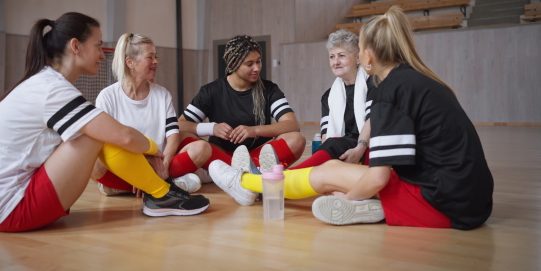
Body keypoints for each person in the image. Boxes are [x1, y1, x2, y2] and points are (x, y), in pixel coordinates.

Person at [209, 6, 494, 230]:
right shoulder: (416, 80)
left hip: (445, 207)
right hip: (469, 203)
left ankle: (245, 184)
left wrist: (347, 198)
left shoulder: (389, 91)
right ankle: (257, 184)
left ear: (366, 55)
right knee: (334, 166)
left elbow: (379, 176)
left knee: (330, 172)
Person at [0, 13, 209, 232]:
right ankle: (161, 194)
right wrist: (153, 151)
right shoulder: (51, 89)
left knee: (97, 131)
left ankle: (158, 192)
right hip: (13, 209)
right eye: (98, 45)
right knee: (98, 133)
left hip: (11, 202)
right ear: (76, 46)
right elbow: (124, 136)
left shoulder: (47, 83)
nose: (102, 54)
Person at [92, 33, 212, 195]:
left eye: (156, 56)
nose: (156, 61)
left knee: (202, 148)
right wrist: (143, 164)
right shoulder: (107, 97)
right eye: (150, 57)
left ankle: (129, 187)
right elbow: (109, 143)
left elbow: (173, 136)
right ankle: (169, 184)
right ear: (130, 62)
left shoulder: (162, 94)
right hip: (127, 165)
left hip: (161, 162)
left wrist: (165, 160)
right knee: (92, 163)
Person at [176, 35, 305, 180]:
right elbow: (180, 125)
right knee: (181, 136)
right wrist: (212, 128)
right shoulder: (211, 91)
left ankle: (228, 174)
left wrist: (254, 130)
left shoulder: (269, 89)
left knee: (296, 139)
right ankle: (249, 174)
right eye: (249, 64)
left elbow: (292, 124)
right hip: (221, 153)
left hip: (256, 154)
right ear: (233, 65)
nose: (256, 68)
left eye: (258, 61)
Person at [289, 29, 375, 170]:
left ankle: (285, 177)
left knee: (334, 146)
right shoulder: (328, 96)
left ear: (358, 58)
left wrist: (358, 151)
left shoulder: (373, 84)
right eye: (332, 57)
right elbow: (326, 136)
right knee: (331, 145)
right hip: (343, 150)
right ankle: (290, 177)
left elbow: (373, 122)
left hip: (371, 148)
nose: (336, 62)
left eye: (342, 56)